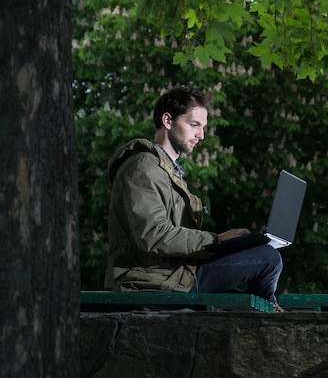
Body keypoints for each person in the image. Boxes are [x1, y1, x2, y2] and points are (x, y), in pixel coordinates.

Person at [104, 86, 283, 310]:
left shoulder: (166, 170)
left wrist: (229, 244)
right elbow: (152, 235)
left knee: (257, 263)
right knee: (268, 258)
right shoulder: (143, 168)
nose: (201, 136)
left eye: (203, 127)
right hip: (149, 282)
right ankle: (268, 316)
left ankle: (268, 310)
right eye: (194, 125)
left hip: (174, 275)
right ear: (168, 120)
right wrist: (217, 240)